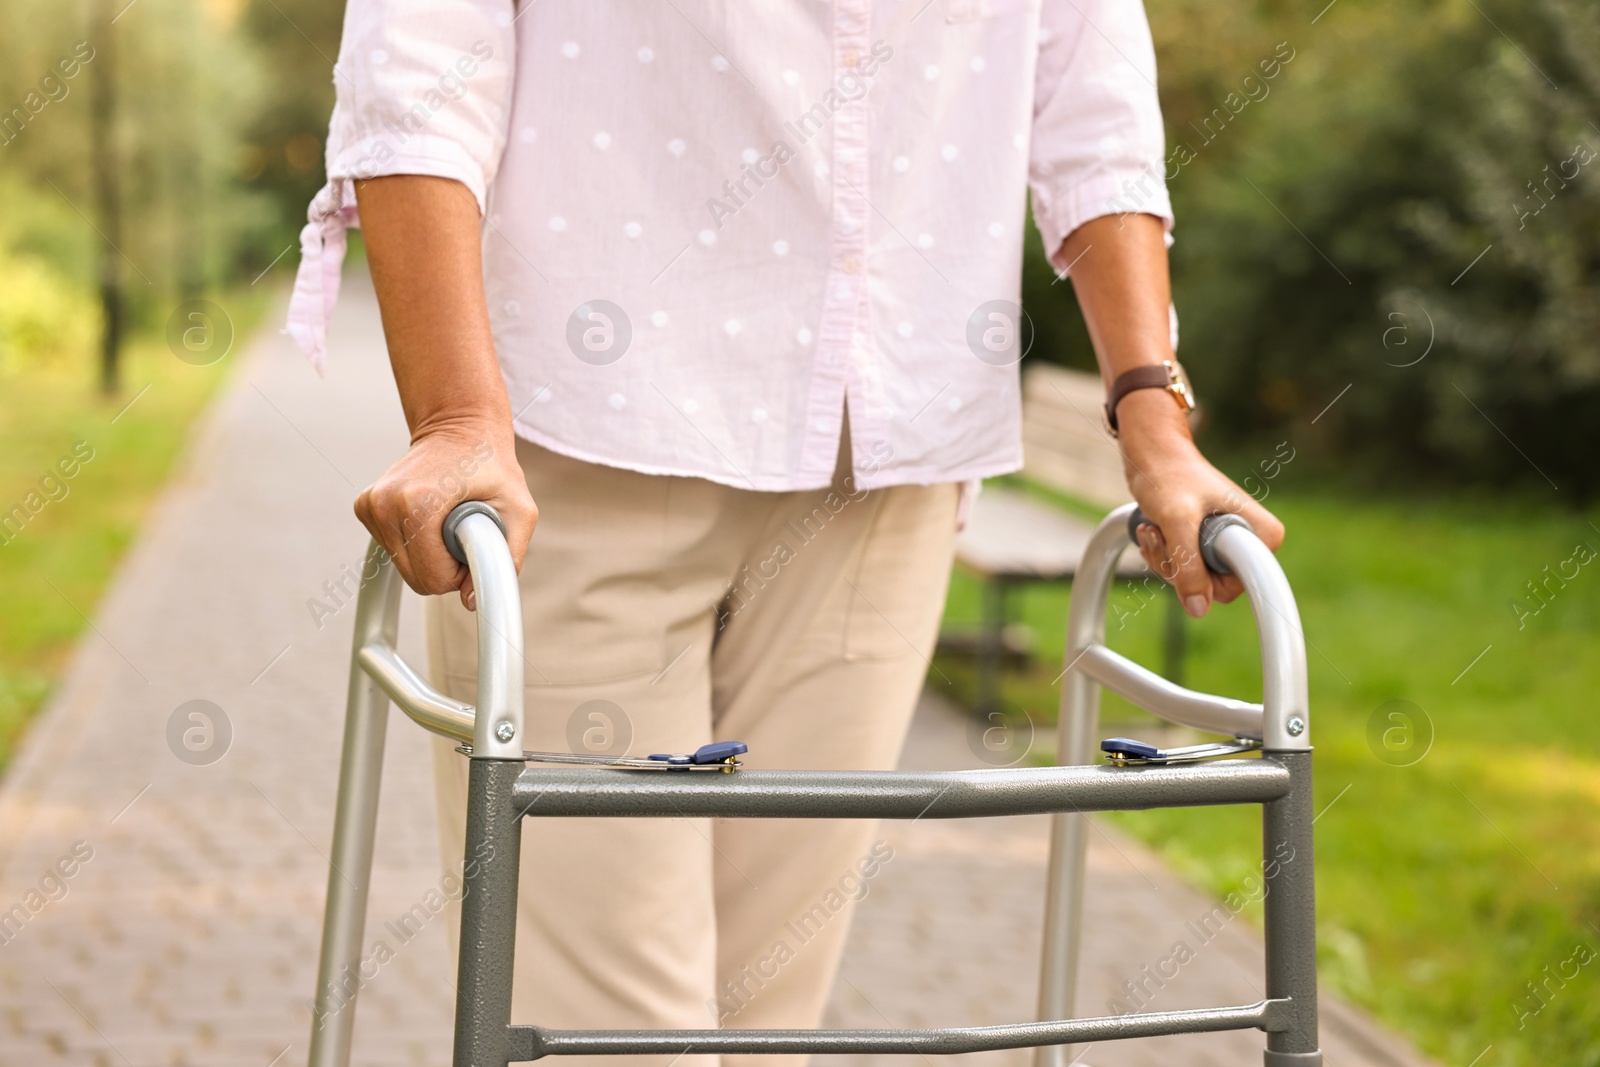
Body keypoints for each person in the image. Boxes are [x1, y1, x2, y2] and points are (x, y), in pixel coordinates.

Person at [287, 1, 1283, 1062]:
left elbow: (1093, 116)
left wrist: (1153, 421)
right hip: (582, 447)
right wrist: (456, 417)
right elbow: (423, 71)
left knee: (768, 1021)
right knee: (605, 1033)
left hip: (886, 464)